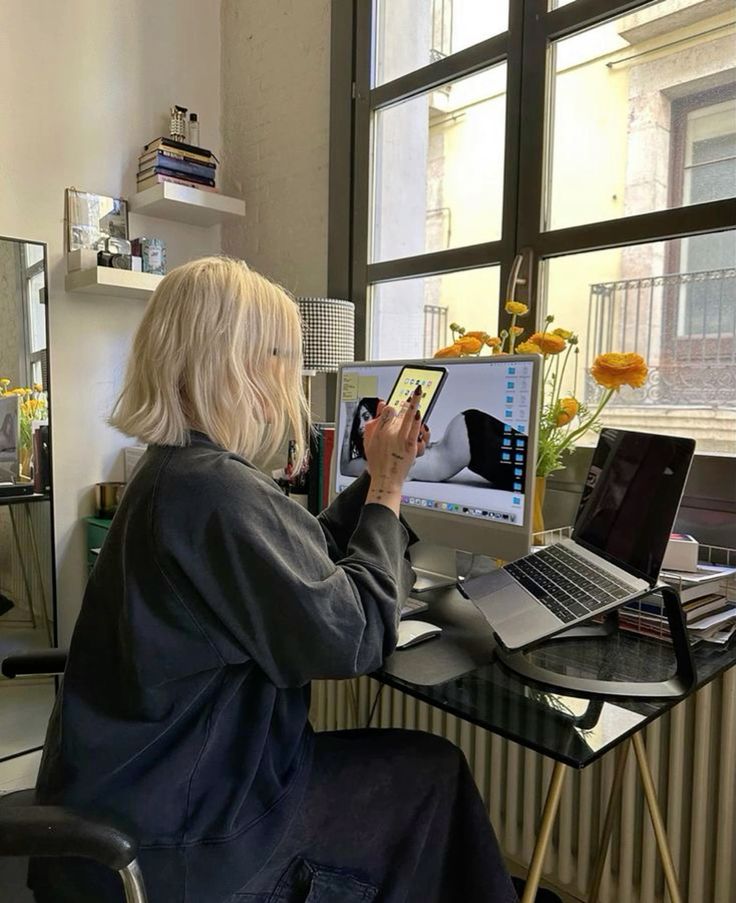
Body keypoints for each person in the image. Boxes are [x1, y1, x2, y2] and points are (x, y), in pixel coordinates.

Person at [29, 257, 518, 903]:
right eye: (285, 358)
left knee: (416, 772)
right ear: (240, 364)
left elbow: (295, 553)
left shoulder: (178, 473)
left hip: (135, 790)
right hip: (191, 833)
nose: (291, 379)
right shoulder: (212, 489)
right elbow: (360, 638)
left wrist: (377, 485)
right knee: (433, 773)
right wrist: (390, 488)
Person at [341, 397, 524, 490]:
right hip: (466, 439)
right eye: (361, 420)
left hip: (467, 438)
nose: (364, 424)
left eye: (367, 416)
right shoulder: (375, 461)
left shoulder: (391, 449)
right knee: (529, 467)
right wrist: (349, 418)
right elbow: (345, 467)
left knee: (529, 469)